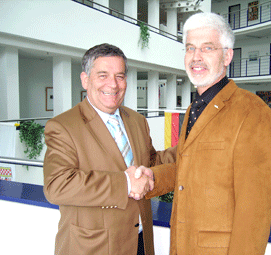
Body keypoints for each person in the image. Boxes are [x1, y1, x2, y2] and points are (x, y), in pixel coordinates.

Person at [137, 12, 271, 254]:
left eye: (207, 48)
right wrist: (152, 177)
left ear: (227, 55)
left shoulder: (252, 111)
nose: (196, 57)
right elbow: (189, 165)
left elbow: (254, 210)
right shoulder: (195, 108)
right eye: (190, 48)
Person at [43, 43, 176, 255]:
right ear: (85, 79)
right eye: (103, 75)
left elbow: (149, 164)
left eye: (120, 76)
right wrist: (125, 182)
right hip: (94, 248)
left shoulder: (137, 120)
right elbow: (57, 185)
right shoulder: (63, 126)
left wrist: (190, 149)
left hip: (140, 242)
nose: (113, 84)